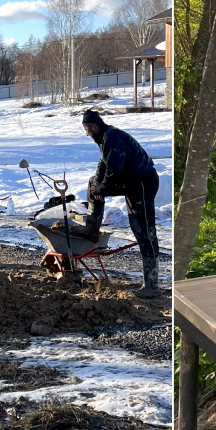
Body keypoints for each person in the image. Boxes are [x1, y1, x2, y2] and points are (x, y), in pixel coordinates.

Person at [82, 109, 162, 299]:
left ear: (93, 126)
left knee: (143, 229)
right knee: (93, 181)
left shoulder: (113, 138)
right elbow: (103, 165)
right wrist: (98, 185)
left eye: (87, 130)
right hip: (129, 181)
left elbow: (114, 170)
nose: (86, 134)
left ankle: (151, 283)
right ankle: (92, 229)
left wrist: (104, 188)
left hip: (142, 182)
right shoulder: (105, 138)